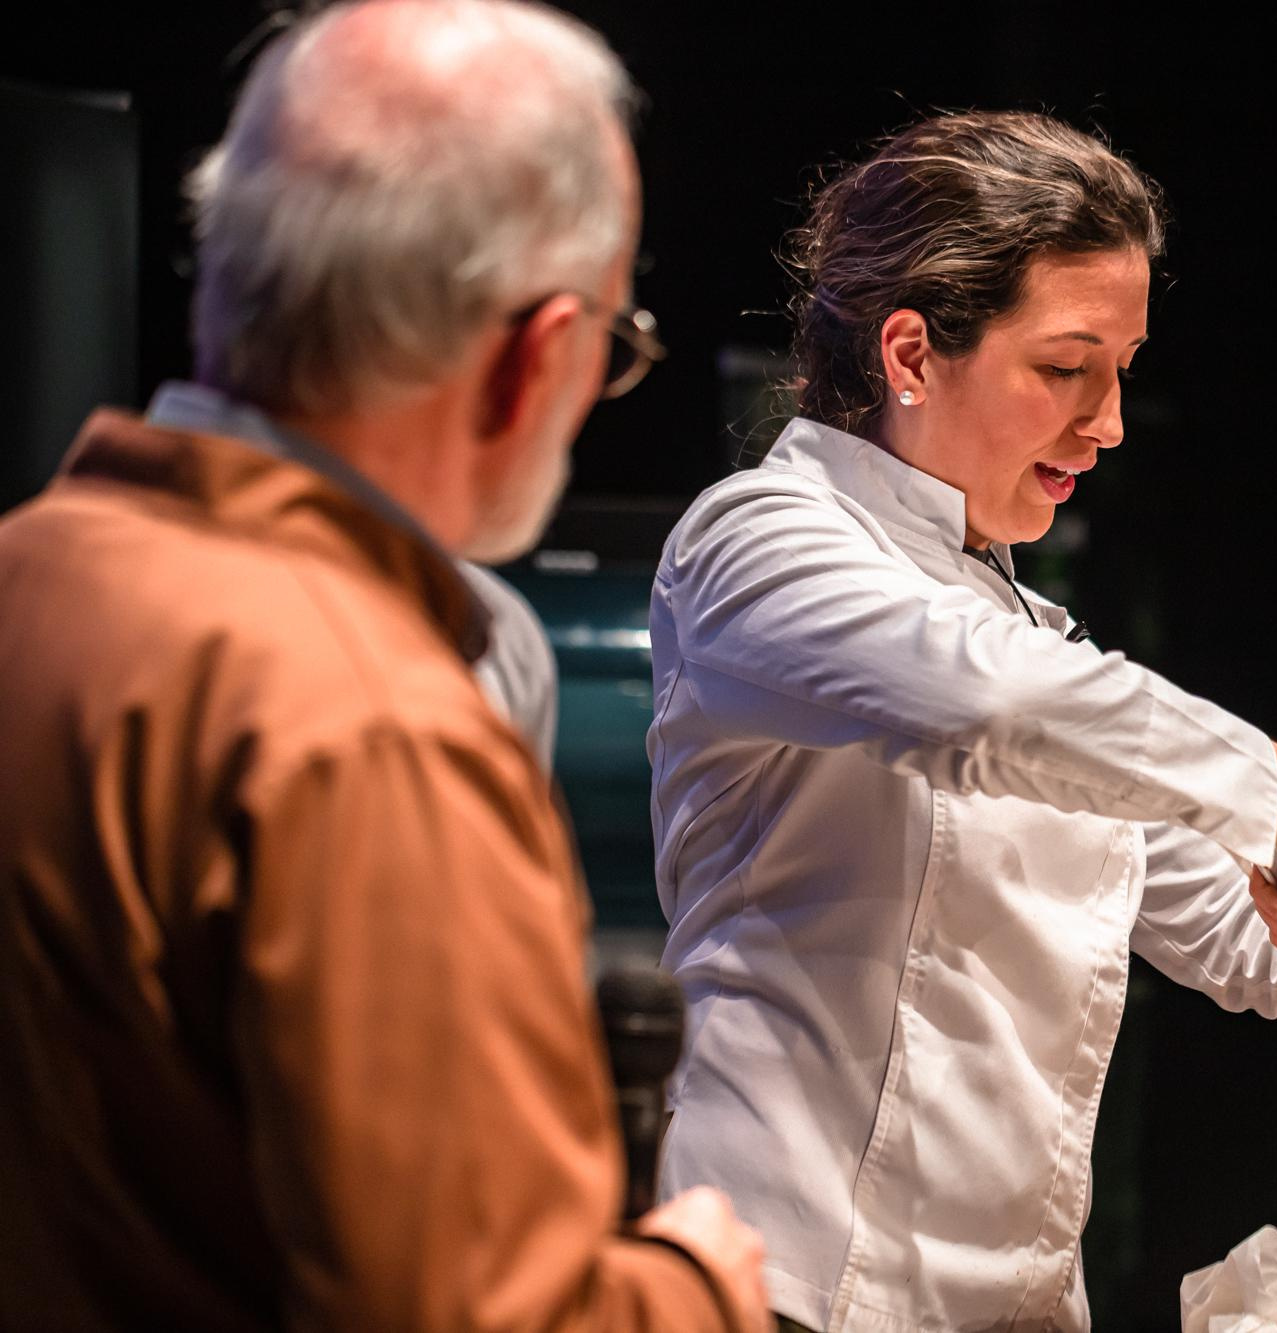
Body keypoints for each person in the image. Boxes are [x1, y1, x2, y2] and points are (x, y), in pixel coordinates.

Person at [0, 2, 768, 1329]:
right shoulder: (372, 726)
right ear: (536, 357)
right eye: (615, 351)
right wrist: (692, 1286)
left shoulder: (33, 570)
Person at [646, 111, 1277, 1331]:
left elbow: (1246, 929)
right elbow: (981, 702)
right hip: (792, 1290)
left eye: (1120, 371)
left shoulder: (1029, 637)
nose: (1106, 422)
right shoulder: (756, 542)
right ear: (909, 353)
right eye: (1066, 369)